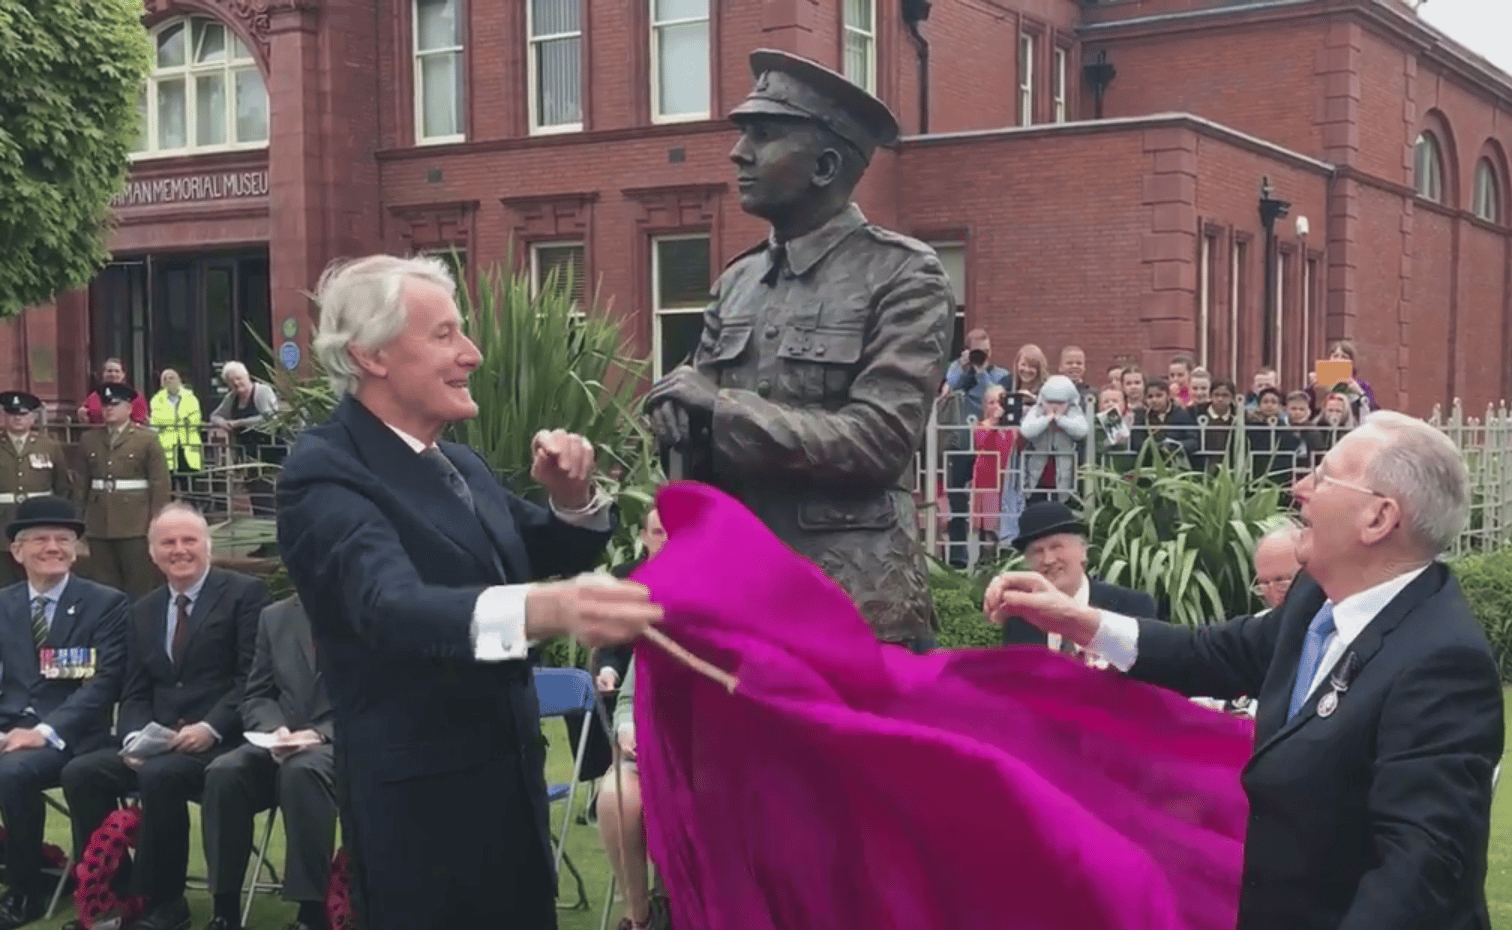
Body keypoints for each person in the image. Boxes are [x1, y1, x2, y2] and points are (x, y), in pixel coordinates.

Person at [986, 411, 1504, 929]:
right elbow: (1217, 653)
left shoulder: (1441, 664)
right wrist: (1079, 621)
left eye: (1323, 477)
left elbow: (1418, 871)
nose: (1300, 488)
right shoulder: (1314, 598)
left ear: (1378, 519)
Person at [275, 254, 660, 930]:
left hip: (511, 795)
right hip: (421, 819)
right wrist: (553, 607)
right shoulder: (325, 473)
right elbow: (389, 608)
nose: (473, 355)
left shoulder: (461, 463)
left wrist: (572, 499)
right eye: (445, 334)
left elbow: (540, 544)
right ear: (372, 355)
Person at [644, 50, 951, 651]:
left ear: (825, 165)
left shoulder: (902, 275)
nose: (739, 153)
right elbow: (700, 437)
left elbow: (880, 442)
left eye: (763, 136)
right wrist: (676, 422)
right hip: (739, 598)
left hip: (853, 607)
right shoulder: (738, 281)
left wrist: (720, 409)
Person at [62, 504, 268, 930]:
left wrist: (210, 727)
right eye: (168, 543)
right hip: (157, 744)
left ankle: (165, 902)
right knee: (82, 771)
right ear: (152, 553)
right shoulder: (143, 610)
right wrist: (136, 736)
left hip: (222, 742)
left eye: (189, 540)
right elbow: (135, 690)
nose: (179, 550)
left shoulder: (245, 594)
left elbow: (251, 679)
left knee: (162, 776)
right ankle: (115, 893)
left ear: (207, 546)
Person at [0, 497, 128, 930]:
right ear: (17, 551)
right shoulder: (4, 605)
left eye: (63, 539)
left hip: (72, 733)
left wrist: (44, 731)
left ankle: (24, 888)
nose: (52, 547)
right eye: (40, 539)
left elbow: (102, 684)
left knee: (13, 773)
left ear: (76, 549)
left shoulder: (106, 604)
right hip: (9, 726)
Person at [201, 596, 335, 930]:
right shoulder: (274, 616)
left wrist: (319, 734)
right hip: (281, 739)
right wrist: (275, 730)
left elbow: (384, 696)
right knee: (223, 772)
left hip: (345, 742)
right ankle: (225, 908)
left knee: (302, 771)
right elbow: (257, 694)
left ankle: (311, 911)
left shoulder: (371, 608)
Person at [991, 500, 1157, 658]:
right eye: (1037, 551)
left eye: (1056, 547)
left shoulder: (1132, 608)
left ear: (1083, 550)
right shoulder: (1021, 620)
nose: (1048, 560)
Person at [77, 384, 171, 599]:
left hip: (135, 523)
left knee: (139, 583)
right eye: (105, 405)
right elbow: (81, 483)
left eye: (115, 405)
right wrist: (79, 518)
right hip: (99, 523)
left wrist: (157, 521)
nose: (109, 409)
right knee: (103, 585)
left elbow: (160, 483)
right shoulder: (89, 439)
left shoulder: (146, 439)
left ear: (129, 408)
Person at [0, 392, 73, 587]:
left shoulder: (49, 446)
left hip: (37, 523)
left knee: (38, 579)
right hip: (2, 522)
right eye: (12, 414)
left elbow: (62, 486)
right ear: (3, 417)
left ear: (32, 418)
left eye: (23, 414)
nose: (17, 418)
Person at [210, 362, 283, 517]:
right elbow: (215, 415)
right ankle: (262, 533)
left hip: (270, 453)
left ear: (247, 376)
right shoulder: (232, 397)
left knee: (269, 495)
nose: (236, 383)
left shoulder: (262, 392)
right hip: (248, 456)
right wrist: (222, 423)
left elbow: (270, 417)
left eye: (239, 378)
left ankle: (272, 532)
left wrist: (238, 423)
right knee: (256, 497)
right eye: (231, 381)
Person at [148, 369, 204, 494]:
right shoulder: (156, 400)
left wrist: (170, 422)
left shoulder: (191, 398)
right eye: (165, 379)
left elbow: (195, 419)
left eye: (171, 377)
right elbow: (157, 420)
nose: (169, 381)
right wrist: (179, 420)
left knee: (190, 486)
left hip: (187, 445)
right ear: (162, 384)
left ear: (179, 380)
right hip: (167, 446)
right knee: (169, 487)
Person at [77, 359, 147, 426]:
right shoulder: (93, 396)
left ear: (123, 375)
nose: (113, 374)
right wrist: (83, 416)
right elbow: (88, 419)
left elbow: (138, 424)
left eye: (117, 371)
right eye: (109, 371)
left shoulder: (134, 396)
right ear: (103, 374)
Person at [1253, 521, 1303, 613]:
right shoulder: (1260, 623)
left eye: (1280, 581)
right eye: (1265, 583)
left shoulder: (1333, 621)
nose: (1273, 592)